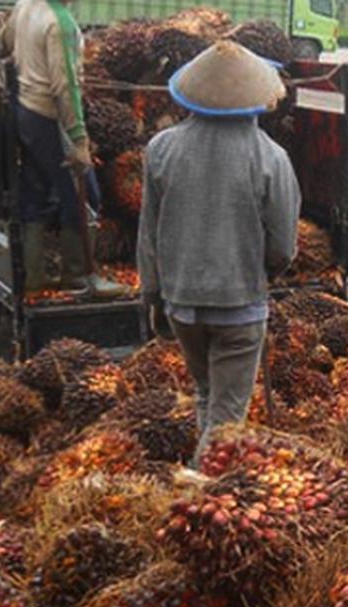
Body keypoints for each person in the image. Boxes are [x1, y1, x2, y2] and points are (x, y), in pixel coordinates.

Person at [137, 41, 300, 457]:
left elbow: (148, 235)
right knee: (228, 419)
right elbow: (283, 245)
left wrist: (153, 297)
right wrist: (264, 271)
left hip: (182, 304)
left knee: (207, 394)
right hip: (239, 305)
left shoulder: (161, 148)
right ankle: (197, 485)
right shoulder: (271, 157)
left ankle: (200, 476)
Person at [0, 0, 125, 296]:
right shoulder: (60, 24)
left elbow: (1, 43)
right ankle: (79, 277)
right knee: (85, 195)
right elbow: (65, 86)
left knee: (36, 189)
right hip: (50, 117)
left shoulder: (25, 5)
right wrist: (79, 139)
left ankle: (33, 276)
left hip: (25, 113)